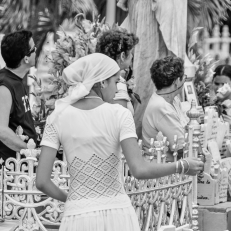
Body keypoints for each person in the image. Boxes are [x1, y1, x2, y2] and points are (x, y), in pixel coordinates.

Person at [36, 53, 204, 231]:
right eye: (116, 81)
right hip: (118, 215)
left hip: (78, 217)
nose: (117, 89)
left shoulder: (58, 117)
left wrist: (72, 199)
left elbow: (41, 181)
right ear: (102, 82)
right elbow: (139, 169)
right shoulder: (119, 114)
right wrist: (182, 165)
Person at [0, 30, 37, 162]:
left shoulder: (16, 80)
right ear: (26, 58)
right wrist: (31, 151)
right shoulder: (4, 86)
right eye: (34, 48)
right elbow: (1, 130)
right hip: (11, 170)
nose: (36, 50)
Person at [142, 56, 188, 162]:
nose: (185, 80)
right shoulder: (162, 107)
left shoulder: (172, 99)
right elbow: (181, 147)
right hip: (161, 168)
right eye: (183, 77)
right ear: (176, 82)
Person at [95, 29, 139, 115]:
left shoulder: (105, 78)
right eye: (130, 53)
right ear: (122, 56)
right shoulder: (113, 86)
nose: (132, 56)